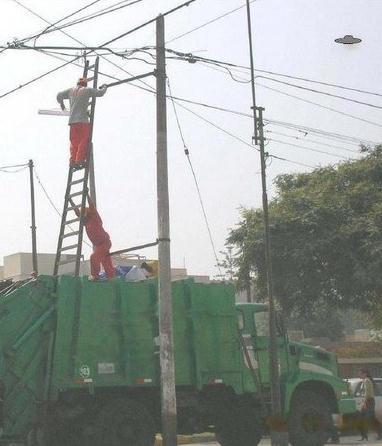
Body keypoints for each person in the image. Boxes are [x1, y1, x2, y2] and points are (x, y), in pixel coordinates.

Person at [57, 78, 108, 168]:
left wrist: (62, 104)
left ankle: (73, 161)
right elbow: (100, 93)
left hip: (72, 121)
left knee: (74, 142)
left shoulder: (71, 91)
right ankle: (79, 160)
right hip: (82, 121)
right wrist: (105, 87)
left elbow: (58, 95)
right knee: (83, 141)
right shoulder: (87, 90)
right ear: (85, 84)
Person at [72, 199, 115, 280]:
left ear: (87, 213)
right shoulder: (85, 222)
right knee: (105, 260)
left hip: (105, 242)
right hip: (98, 245)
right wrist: (71, 202)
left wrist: (87, 194)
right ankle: (111, 276)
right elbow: (77, 213)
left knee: (94, 257)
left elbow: (91, 206)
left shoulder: (94, 217)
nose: (82, 217)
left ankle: (95, 275)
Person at [358, 368, 382, 441]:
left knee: (370, 419)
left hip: (369, 401)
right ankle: (364, 436)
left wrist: (364, 402)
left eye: (360, 373)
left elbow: (367, 393)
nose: (359, 375)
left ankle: (379, 434)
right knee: (362, 418)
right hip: (366, 401)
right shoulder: (363, 381)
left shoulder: (367, 381)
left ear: (365, 374)